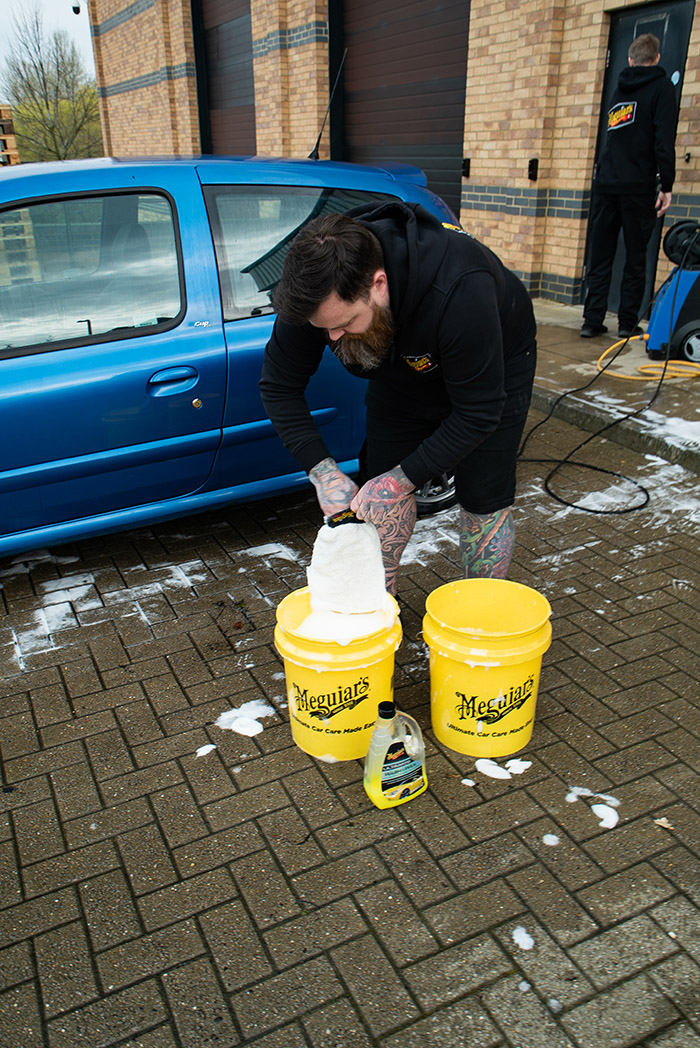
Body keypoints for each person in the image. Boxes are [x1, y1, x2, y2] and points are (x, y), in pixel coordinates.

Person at [259, 202, 536, 594]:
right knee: (380, 492)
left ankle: (480, 611)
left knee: (483, 495)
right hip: (401, 370)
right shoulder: (315, 294)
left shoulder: (460, 286)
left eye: (343, 324)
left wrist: (402, 479)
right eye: (325, 329)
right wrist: (323, 473)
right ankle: (376, 609)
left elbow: (478, 412)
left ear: (378, 283)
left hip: (495, 363)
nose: (333, 338)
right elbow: (278, 385)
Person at [581, 32, 677, 339]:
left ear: (630, 59)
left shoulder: (618, 89)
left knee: (601, 256)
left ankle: (591, 320)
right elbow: (664, 141)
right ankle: (626, 323)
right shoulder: (661, 88)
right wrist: (667, 185)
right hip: (637, 187)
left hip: (606, 184)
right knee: (636, 257)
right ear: (657, 58)